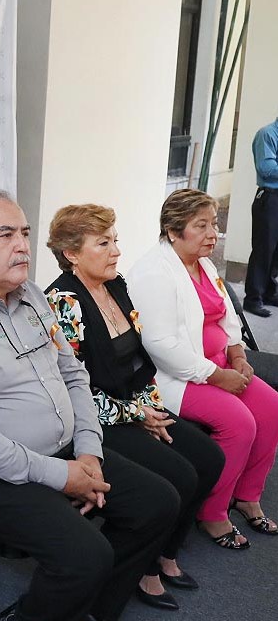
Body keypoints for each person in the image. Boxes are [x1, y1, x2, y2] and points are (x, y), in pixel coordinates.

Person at [0, 189, 179, 621]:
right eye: (5, 235)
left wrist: (89, 452)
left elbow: (74, 375)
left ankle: (90, 610)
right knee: (86, 556)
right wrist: (63, 477)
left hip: (65, 452)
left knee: (158, 503)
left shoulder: (30, 295)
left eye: (25, 233)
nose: (22, 246)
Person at [44, 204, 224, 612]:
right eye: (103, 243)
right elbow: (72, 391)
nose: (116, 251)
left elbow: (139, 366)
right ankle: (130, 573)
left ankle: (161, 556)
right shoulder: (62, 302)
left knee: (209, 458)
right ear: (72, 254)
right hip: (95, 419)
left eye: (115, 240)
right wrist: (137, 416)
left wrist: (150, 411)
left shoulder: (116, 285)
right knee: (178, 476)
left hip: (134, 407)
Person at [128, 189, 278, 551]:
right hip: (175, 377)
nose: (213, 234)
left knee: (272, 406)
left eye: (214, 224)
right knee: (239, 423)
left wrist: (238, 355)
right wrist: (217, 376)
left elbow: (227, 317)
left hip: (221, 364)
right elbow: (161, 346)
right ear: (172, 231)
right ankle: (211, 512)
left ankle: (246, 496)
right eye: (201, 226)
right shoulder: (153, 273)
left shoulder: (204, 264)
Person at [243, 117, 278, 317]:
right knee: (264, 249)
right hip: (270, 198)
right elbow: (266, 168)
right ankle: (253, 299)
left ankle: (269, 292)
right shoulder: (267, 134)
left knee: (276, 250)